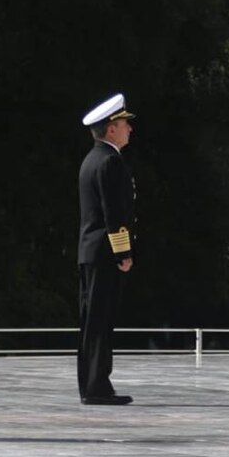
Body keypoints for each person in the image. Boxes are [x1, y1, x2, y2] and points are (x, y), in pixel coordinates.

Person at [78, 93, 136, 405]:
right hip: (104, 252)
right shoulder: (111, 161)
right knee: (100, 320)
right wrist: (123, 254)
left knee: (92, 320)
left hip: (91, 251)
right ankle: (97, 385)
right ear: (111, 128)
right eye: (125, 123)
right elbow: (114, 213)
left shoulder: (92, 159)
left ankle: (91, 382)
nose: (130, 129)